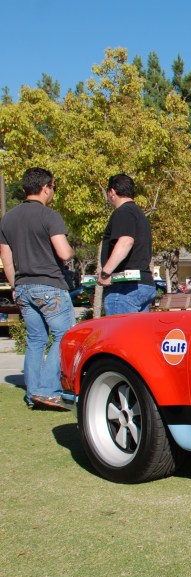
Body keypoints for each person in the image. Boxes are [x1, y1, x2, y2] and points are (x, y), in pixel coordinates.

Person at [0, 167, 75, 411]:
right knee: (64, 334)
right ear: (46, 187)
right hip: (49, 285)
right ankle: (47, 390)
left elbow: (6, 257)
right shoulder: (49, 216)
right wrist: (71, 250)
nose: (53, 192)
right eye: (54, 188)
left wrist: (16, 286)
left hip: (22, 286)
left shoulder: (8, 218)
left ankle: (33, 394)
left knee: (36, 340)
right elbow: (63, 253)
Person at [97, 174, 156, 315]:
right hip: (143, 284)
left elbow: (126, 242)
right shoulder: (140, 215)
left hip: (125, 289)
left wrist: (105, 273)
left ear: (112, 192)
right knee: (138, 336)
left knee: (120, 336)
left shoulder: (123, 212)